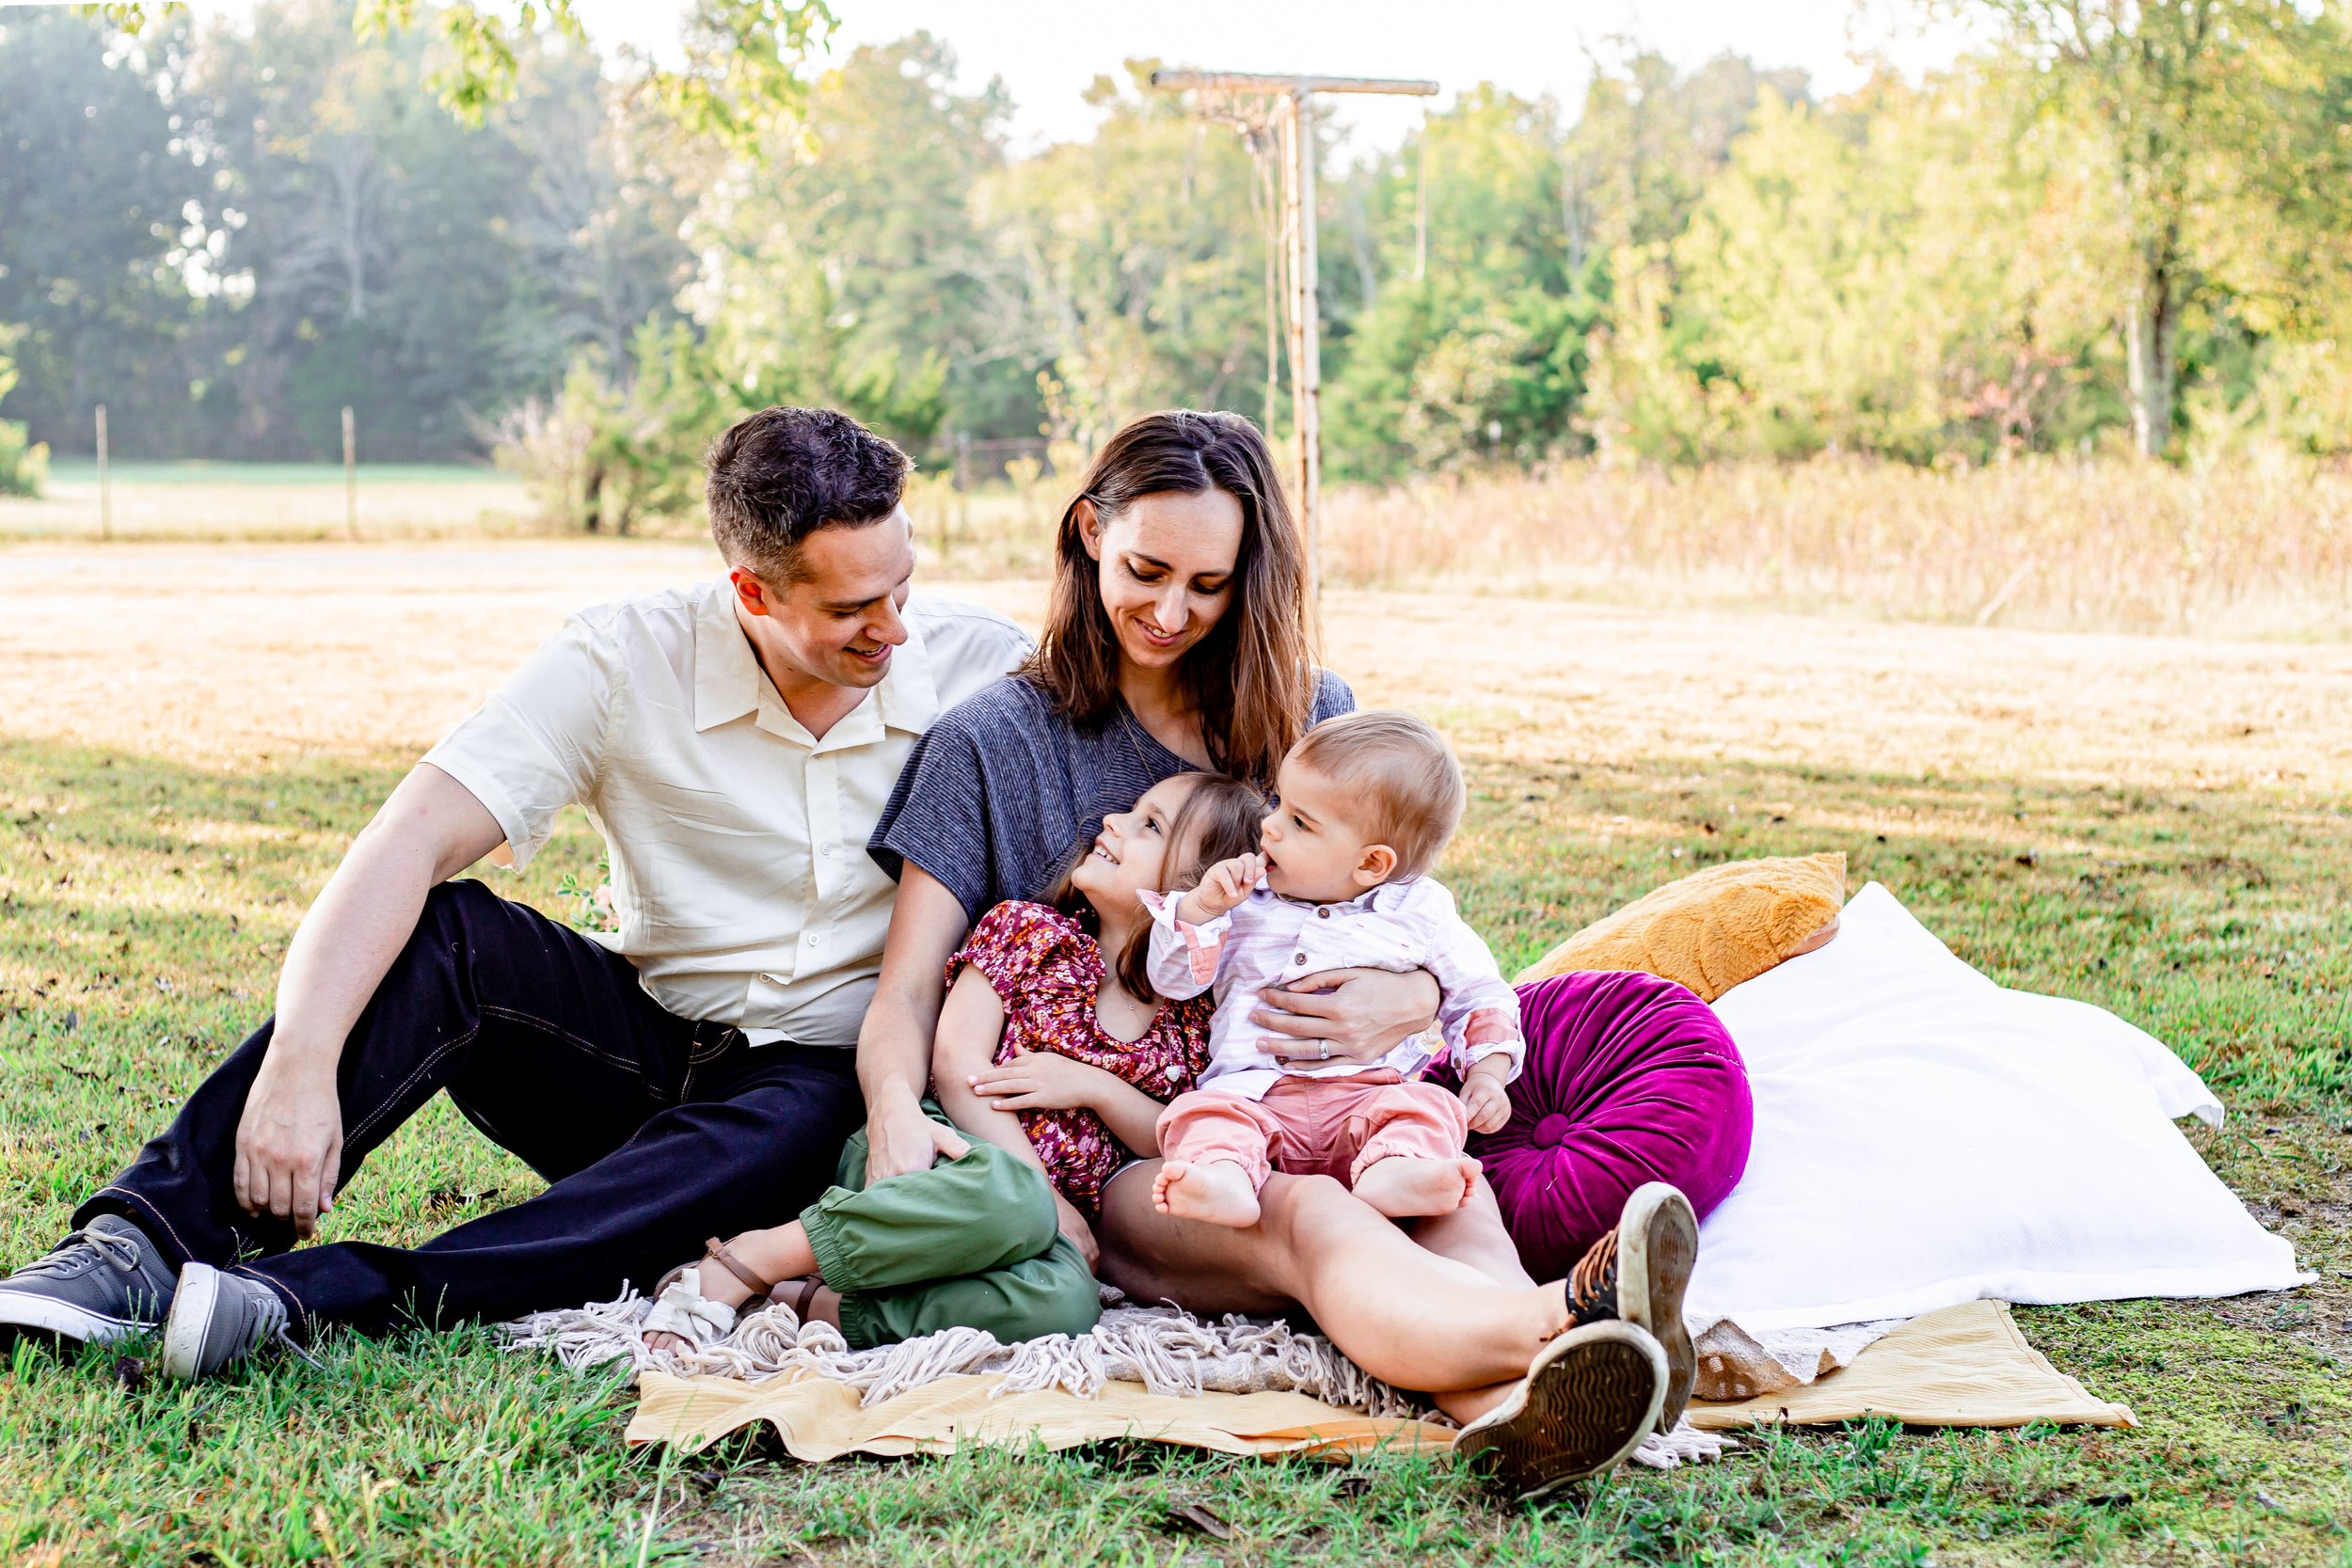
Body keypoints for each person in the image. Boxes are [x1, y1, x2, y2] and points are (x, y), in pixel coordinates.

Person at [0, 406, 1031, 1382]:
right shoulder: (625, 656)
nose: (893, 626)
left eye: (902, 584)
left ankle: (309, 1294)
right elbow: (404, 842)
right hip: (646, 1044)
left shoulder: (978, 665)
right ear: (751, 592)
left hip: (823, 1086)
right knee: (455, 931)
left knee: (790, 1123)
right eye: (851, 607)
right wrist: (300, 1062)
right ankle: (139, 1241)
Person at [859, 408, 1691, 1495]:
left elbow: (1398, 910)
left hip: (1335, 1097)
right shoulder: (994, 742)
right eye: (1145, 570)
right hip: (1160, 1156)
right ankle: (1560, 1315)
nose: (1170, 610)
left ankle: (1523, 1410)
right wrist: (890, 1121)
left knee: (1450, 1193)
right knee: (1307, 1208)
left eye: (1208, 584)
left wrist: (1413, 994)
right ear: (1085, 535)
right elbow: (907, 992)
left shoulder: (1308, 711)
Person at [639, 771, 1263, 1353]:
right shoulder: (1030, 934)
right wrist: (1042, 1192)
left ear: (1198, 886)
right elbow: (956, 1066)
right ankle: (757, 1254)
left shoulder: (1189, 1018)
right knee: (1012, 1198)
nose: (1114, 821)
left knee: (1067, 1300)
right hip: (937, 1155)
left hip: (1033, 1230)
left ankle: (824, 1306)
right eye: (1131, 810)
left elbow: (1167, 1133)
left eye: (1149, 824)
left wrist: (1093, 1086)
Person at [1145, 710, 1525, 1228]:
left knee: (1428, 1107)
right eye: (1279, 802)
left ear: (1371, 864)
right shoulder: (1244, 900)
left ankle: (1396, 1170)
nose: (1268, 825)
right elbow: (1174, 982)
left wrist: (1487, 1074)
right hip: (1254, 1094)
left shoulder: (1419, 912)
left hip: (1369, 1096)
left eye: (1299, 822)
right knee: (1202, 1116)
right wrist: (1199, 912)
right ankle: (1224, 1178)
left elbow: (1481, 994)